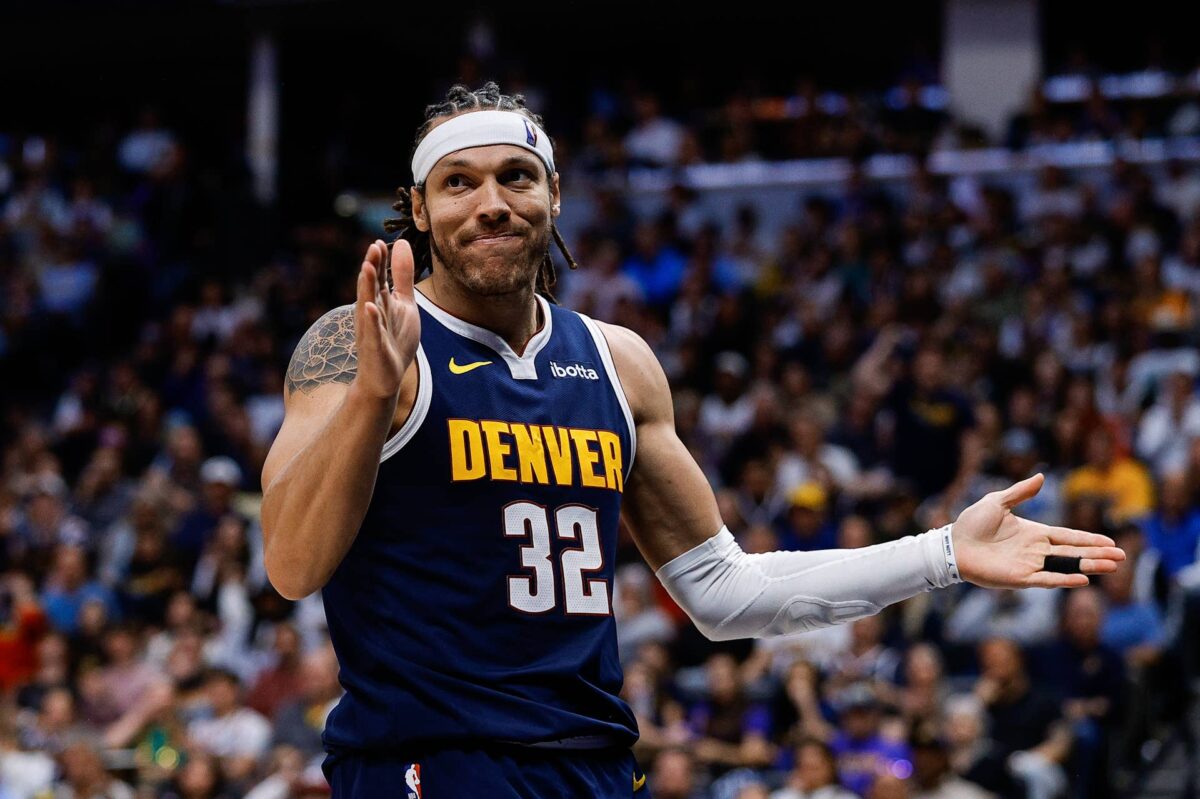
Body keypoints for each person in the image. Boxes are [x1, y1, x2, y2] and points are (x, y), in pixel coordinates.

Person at [259, 82, 1125, 798]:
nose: (492, 204)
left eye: (516, 177)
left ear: (553, 195)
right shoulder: (358, 344)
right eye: (459, 183)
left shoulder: (619, 362)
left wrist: (941, 553)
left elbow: (722, 591)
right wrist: (373, 397)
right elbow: (292, 565)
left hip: (592, 762)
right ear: (417, 209)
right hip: (426, 761)